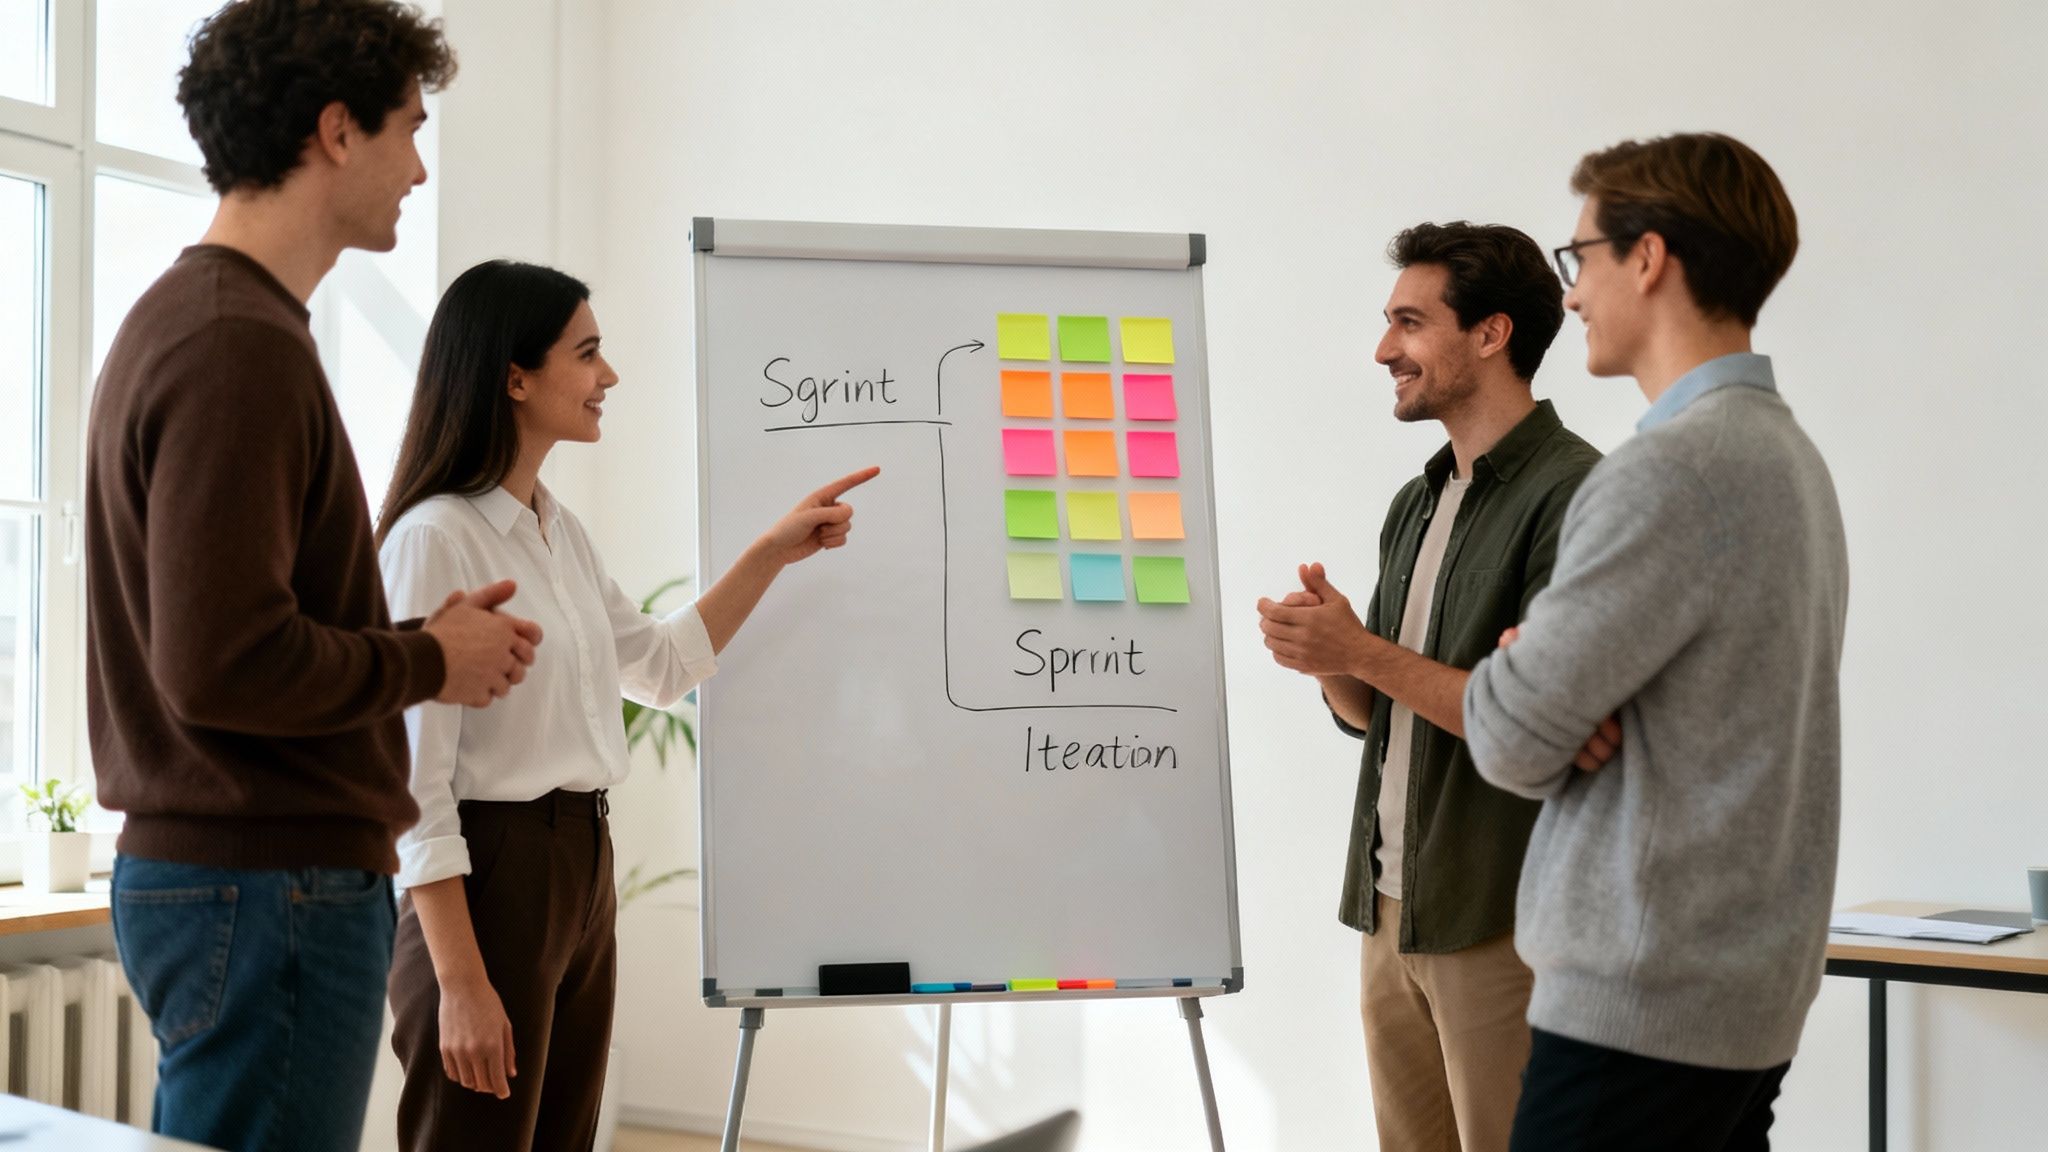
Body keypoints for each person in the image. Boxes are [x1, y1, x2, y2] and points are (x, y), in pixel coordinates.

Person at [84, 4, 543, 1150]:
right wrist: (430, 658)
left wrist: (416, 649)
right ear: (337, 131)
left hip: (245, 884)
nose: (420, 168)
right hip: (267, 885)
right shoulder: (234, 345)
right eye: (408, 130)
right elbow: (225, 663)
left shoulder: (207, 325)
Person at [375, 259, 879, 1151]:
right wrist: (460, 981)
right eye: (589, 353)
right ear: (516, 377)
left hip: (580, 868)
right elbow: (416, 787)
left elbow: (656, 665)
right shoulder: (433, 538)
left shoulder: (555, 529)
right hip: (490, 879)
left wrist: (770, 552)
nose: (609, 377)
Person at [1463, 132, 1849, 1151]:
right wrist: (1556, 683)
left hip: (1636, 1007)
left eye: (1578, 257)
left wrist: (1523, 662)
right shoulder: (1786, 458)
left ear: (1647, 257)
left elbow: (1503, 737)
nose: (1572, 292)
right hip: (1737, 1002)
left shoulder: (1667, 473)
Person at [1257, 222, 1601, 1152]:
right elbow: (1376, 714)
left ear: (1490, 335)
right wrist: (1327, 655)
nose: (1384, 351)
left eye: (1410, 323)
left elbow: (1529, 721)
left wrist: (1361, 651)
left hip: (1501, 917)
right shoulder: (1417, 501)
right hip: (1390, 910)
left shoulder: (1577, 497)